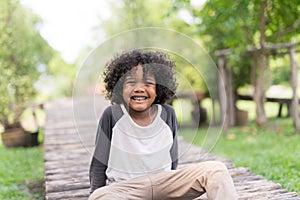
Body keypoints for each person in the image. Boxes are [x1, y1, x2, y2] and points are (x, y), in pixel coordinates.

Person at [89, 49, 238, 200]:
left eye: (148, 83)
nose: (139, 88)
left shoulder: (168, 114)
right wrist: (95, 192)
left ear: (158, 88)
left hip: (164, 184)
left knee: (216, 170)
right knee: (99, 197)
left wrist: (171, 186)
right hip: (127, 189)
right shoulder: (112, 115)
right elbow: (99, 164)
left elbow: (173, 160)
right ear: (120, 88)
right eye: (131, 82)